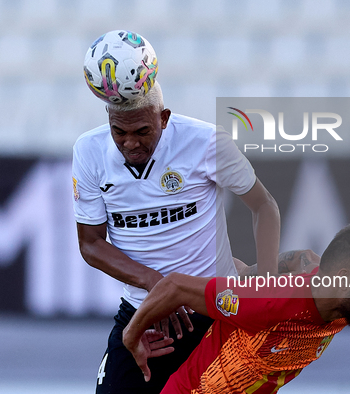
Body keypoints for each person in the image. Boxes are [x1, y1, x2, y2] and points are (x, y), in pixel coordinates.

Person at [72, 30, 280, 393]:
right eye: (118, 132)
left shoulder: (206, 143)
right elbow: (90, 244)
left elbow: (265, 206)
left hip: (217, 314)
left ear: (164, 118)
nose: (130, 143)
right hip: (146, 318)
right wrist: (159, 288)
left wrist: (267, 293)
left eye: (142, 131)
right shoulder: (88, 152)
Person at [123, 222, 350, 393]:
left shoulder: (342, 302)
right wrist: (131, 336)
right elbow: (175, 287)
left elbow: (302, 258)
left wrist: (250, 274)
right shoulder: (267, 303)